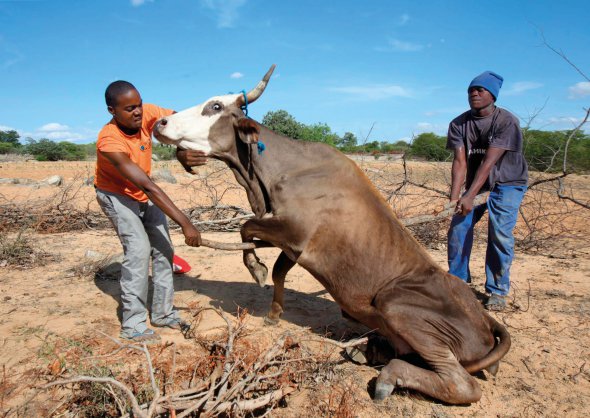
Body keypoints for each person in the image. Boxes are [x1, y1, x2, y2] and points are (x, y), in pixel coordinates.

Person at [94, 80, 207, 343]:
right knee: (138, 251)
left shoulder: (148, 114)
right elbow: (147, 185)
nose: (138, 112)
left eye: (140, 105)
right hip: (117, 196)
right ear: (112, 110)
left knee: (164, 249)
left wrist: (182, 150)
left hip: (143, 193)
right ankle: (133, 324)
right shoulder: (109, 140)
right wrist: (185, 223)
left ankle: (163, 313)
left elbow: (182, 122)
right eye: (129, 108)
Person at [446, 71, 528, 311]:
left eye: (480, 90)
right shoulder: (458, 123)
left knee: (499, 233)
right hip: (478, 183)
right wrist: (454, 199)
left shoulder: (506, 121)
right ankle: (458, 282)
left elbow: (488, 162)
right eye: (471, 90)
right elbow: (460, 162)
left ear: (493, 95)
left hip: (508, 182)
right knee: (459, 227)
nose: (474, 94)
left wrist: (469, 195)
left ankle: (497, 290)